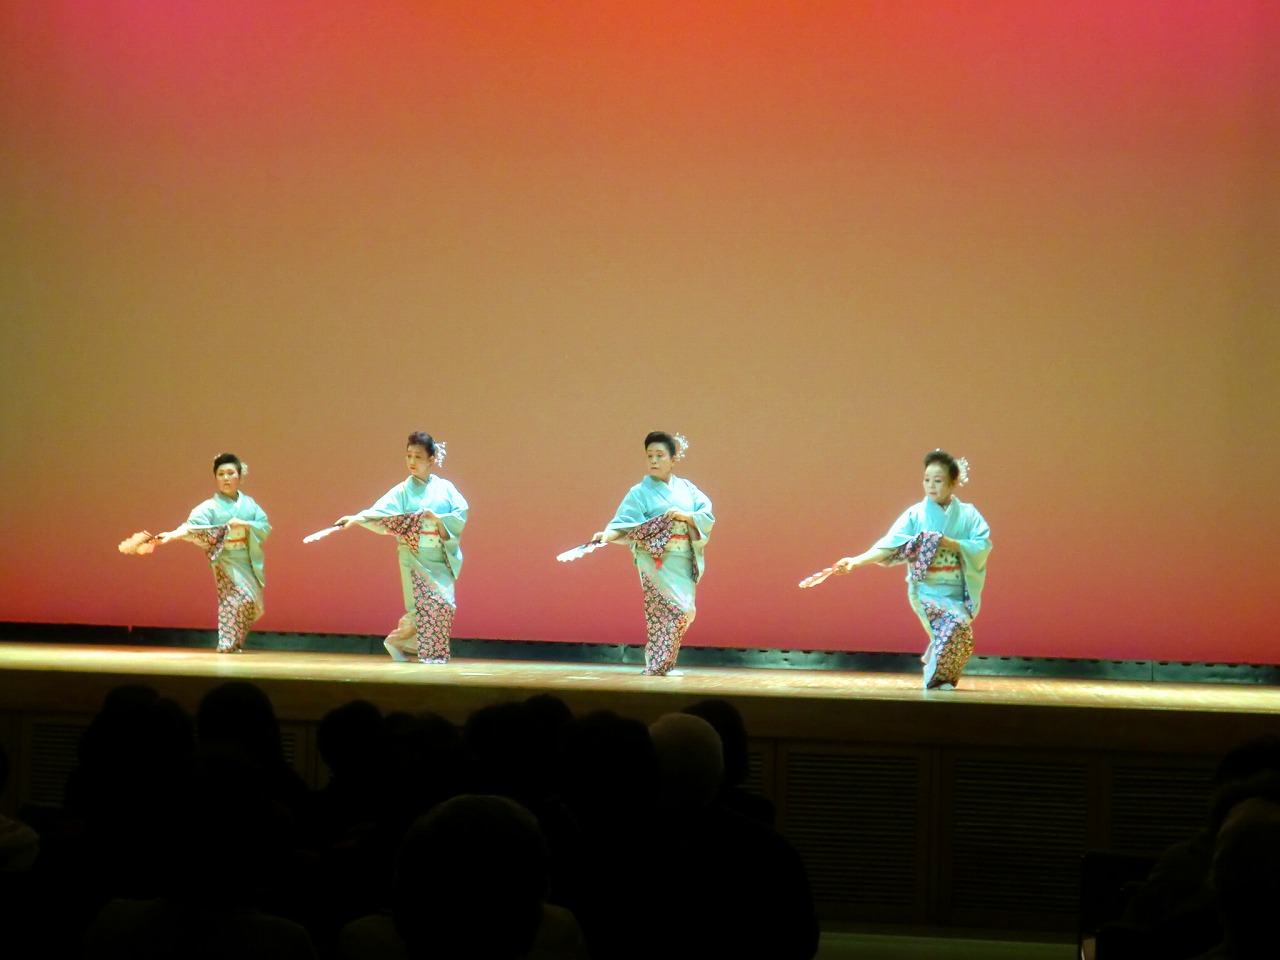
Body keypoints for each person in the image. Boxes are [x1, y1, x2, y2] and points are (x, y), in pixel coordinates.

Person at [803, 449, 991, 690]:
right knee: (951, 628)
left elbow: (982, 545)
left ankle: (941, 674)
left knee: (960, 634)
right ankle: (936, 678)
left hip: (956, 589)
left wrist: (951, 543)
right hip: (926, 590)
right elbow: (889, 545)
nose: (930, 486)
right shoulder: (915, 514)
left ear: (953, 482)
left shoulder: (969, 515)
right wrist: (856, 561)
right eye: (926, 480)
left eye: (937, 480)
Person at [587, 431, 714, 677]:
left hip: (682, 557)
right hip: (655, 559)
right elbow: (625, 523)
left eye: (660, 455)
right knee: (665, 610)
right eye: (649, 456)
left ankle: (663, 663)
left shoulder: (687, 488)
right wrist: (606, 534)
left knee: (686, 611)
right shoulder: (639, 492)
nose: (654, 460)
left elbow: (706, 515)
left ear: (673, 459)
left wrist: (686, 516)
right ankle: (658, 665)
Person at [336, 432, 467, 664]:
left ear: (431, 459)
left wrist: (438, 519)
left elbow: (460, 513)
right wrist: (355, 518)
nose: (412, 461)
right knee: (422, 608)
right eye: (408, 456)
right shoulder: (402, 490)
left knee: (444, 605)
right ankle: (414, 648)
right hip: (414, 556)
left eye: (418, 456)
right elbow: (379, 513)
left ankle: (403, 643)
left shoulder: (446, 488)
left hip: (439, 555)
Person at [155, 453, 270, 653]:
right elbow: (192, 528)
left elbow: (264, 525)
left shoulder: (250, 504)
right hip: (225, 559)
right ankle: (226, 644)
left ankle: (234, 643)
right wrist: (172, 535)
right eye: (221, 474)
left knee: (250, 602)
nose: (226, 478)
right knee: (234, 599)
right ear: (215, 477)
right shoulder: (209, 507)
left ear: (240, 476)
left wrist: (245, 524)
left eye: (230, 473)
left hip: (246, 558)